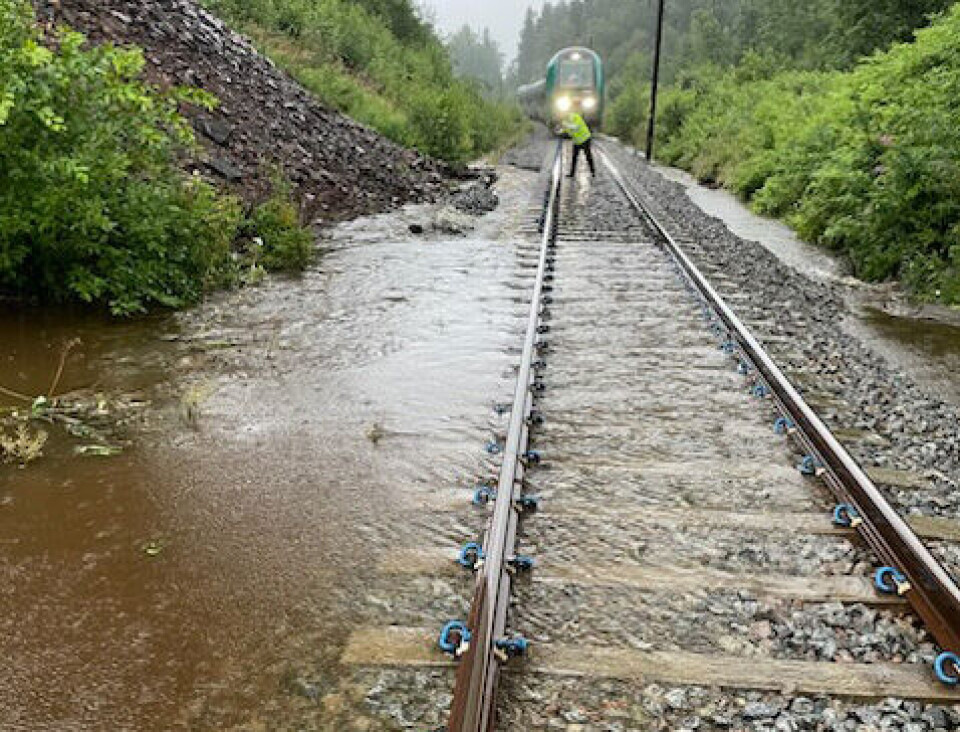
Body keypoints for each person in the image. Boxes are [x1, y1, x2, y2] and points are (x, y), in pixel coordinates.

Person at [562, 111, 595, 178]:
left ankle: (593, 172)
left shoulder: (576, 117)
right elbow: (567, 130)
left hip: (585, 139)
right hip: (577, 141)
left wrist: (566, 125)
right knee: (574, 157)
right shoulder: (566, 121)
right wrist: (560, 131)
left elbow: (575, 127)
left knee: (588, 156)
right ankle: (572, 173)